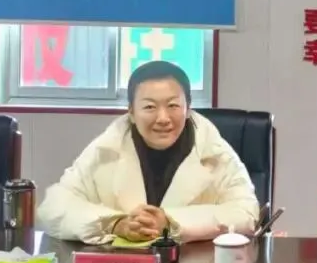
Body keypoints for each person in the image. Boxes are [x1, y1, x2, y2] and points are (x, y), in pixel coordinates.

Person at [37, 61, 259, 244]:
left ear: (188, 108)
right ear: (131, 112)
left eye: (173, 106)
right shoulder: (106, 148)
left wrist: (170, 222)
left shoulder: (214, 150)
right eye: (150, 107)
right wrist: (116, 224)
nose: (163, 118)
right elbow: (53, 208)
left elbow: (246, 213)